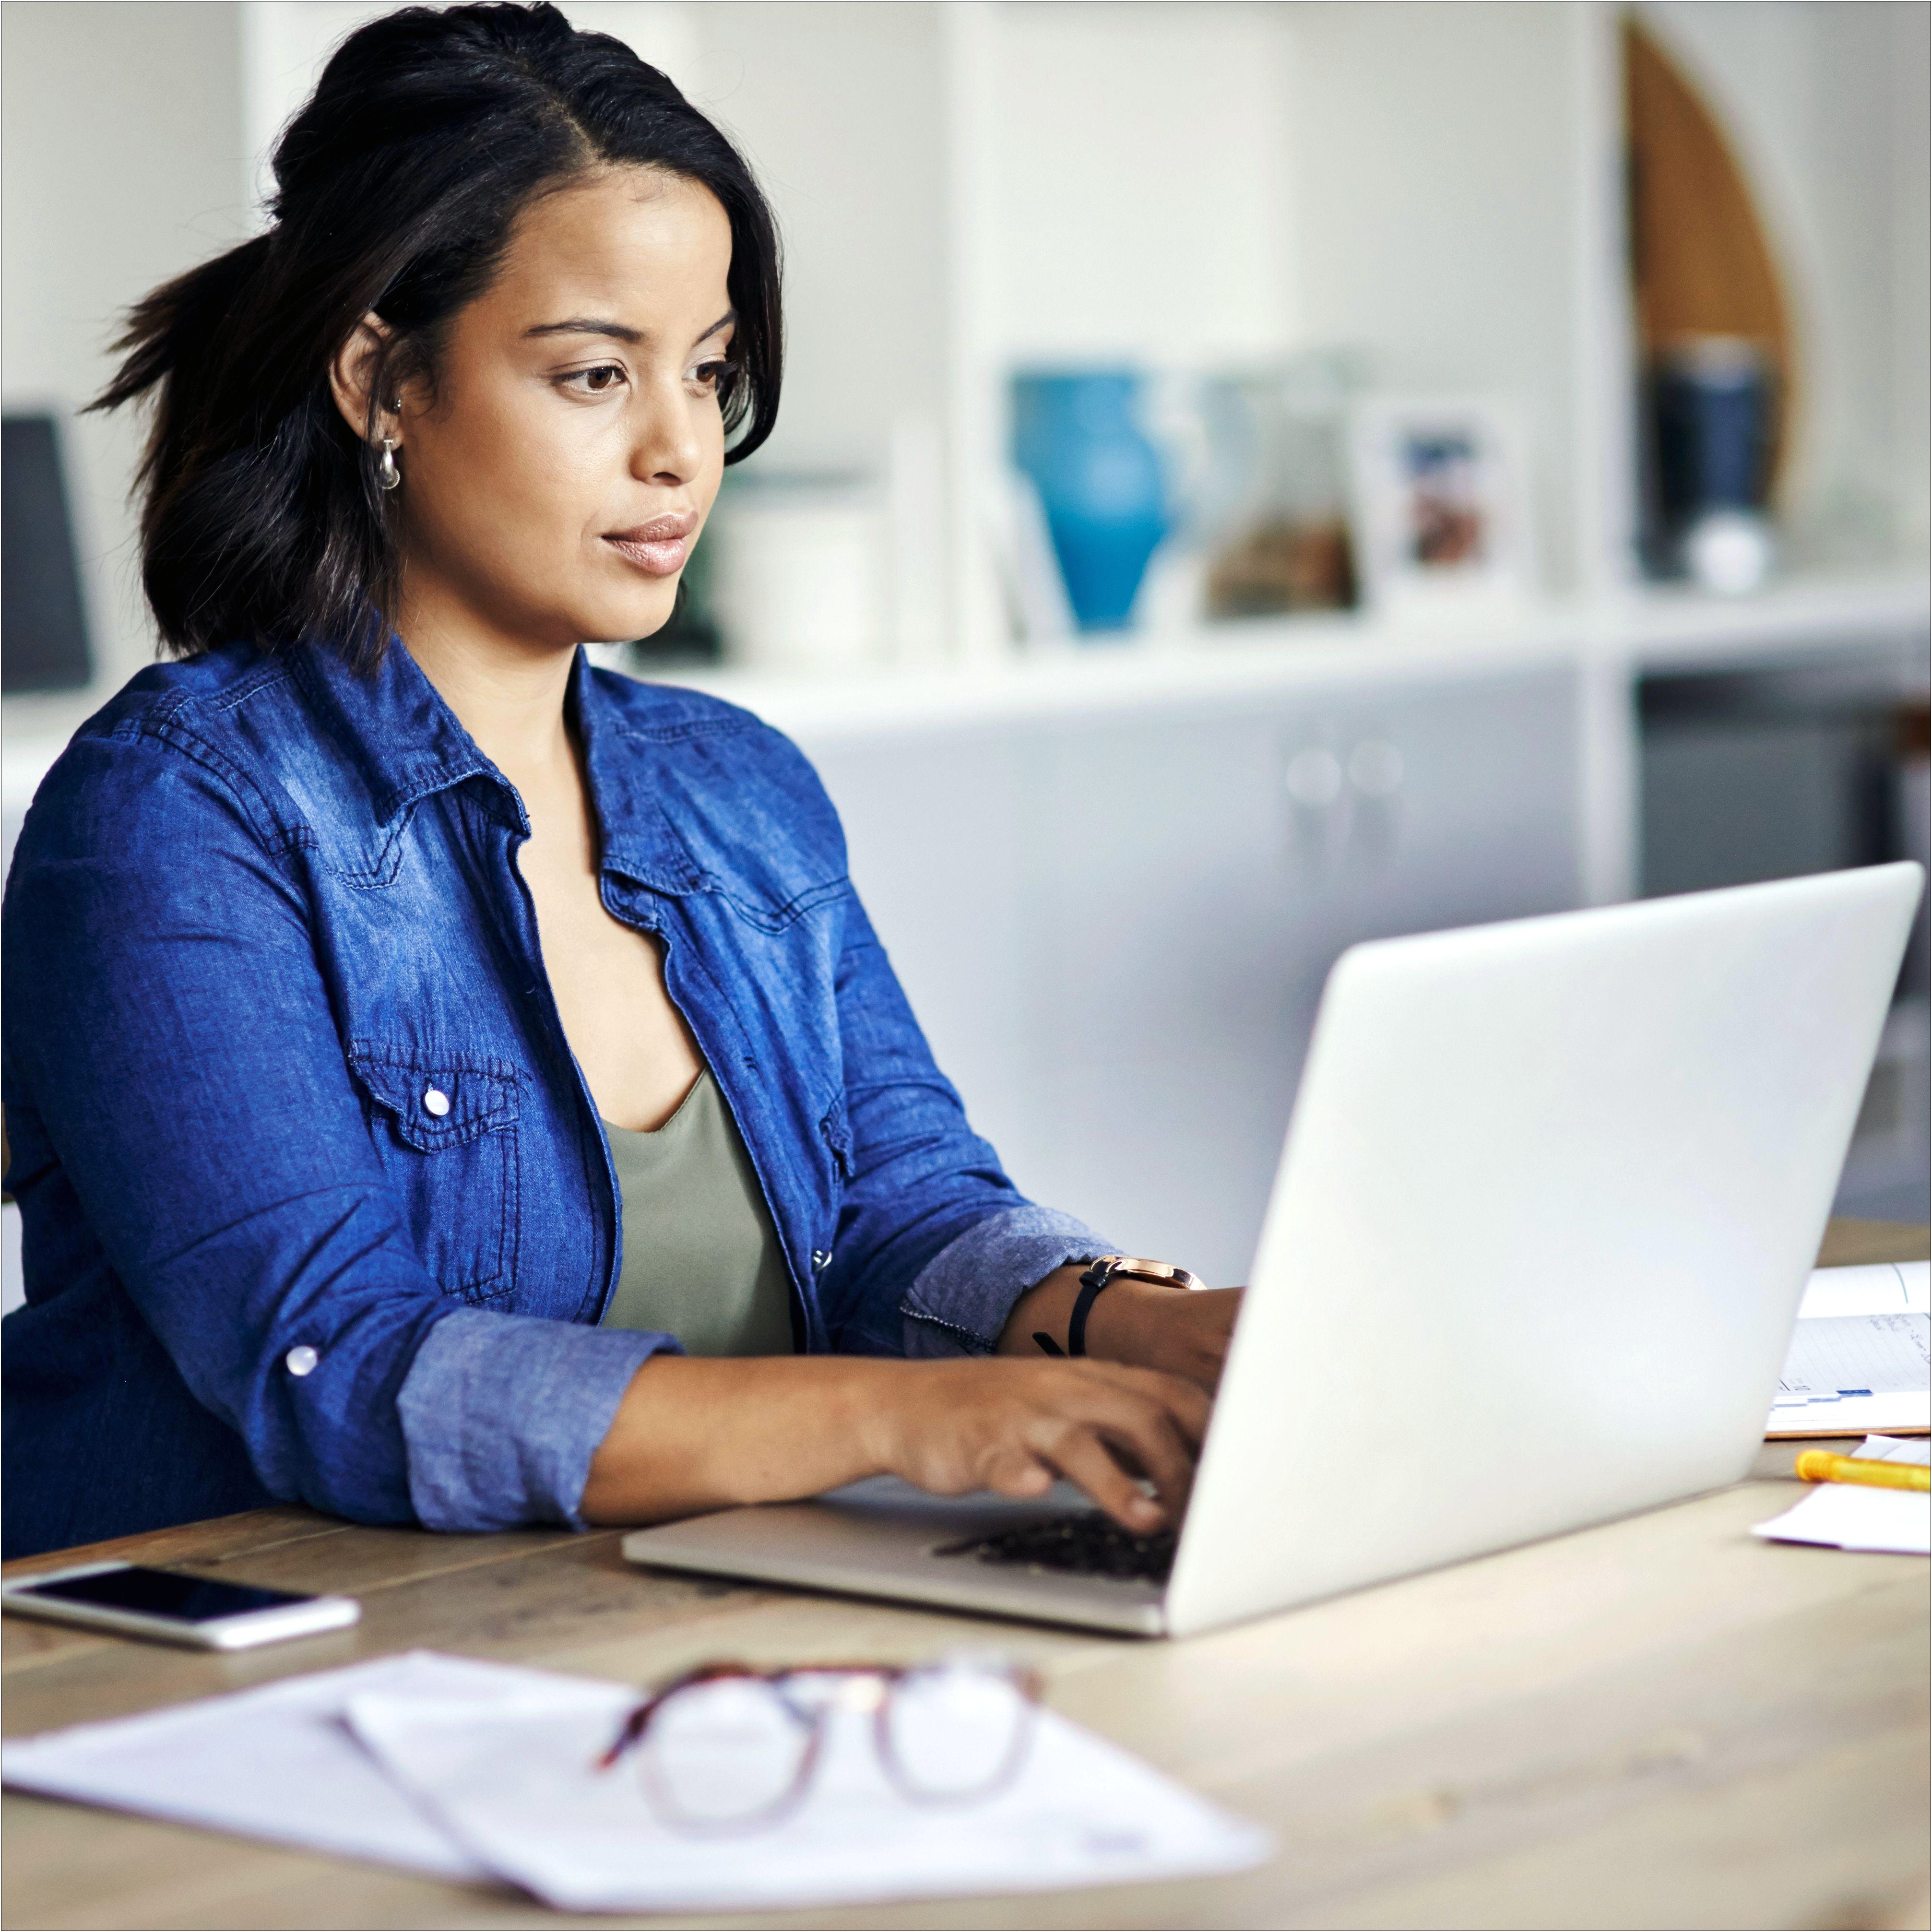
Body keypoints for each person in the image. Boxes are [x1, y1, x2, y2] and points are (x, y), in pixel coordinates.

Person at [0, 1, 1237, 1562]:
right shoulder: (179, 813)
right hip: (234, 1689)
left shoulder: (736, 787)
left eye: (707, 372)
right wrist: (908, 1417)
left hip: (648, 1639)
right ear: (383, 378)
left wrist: (1127, 1323)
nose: (679, 450)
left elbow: (897, 1213)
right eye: (595, 375)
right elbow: (336, 1364)